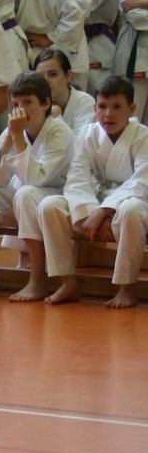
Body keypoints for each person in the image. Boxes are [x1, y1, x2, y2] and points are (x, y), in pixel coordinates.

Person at [38, 75, 148, 308]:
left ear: (131, 109)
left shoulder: (143, 136)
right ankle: (67, 282)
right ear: (94, 108)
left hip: (136, 201)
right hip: (94, 201)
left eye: (117, 107)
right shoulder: (87, 134)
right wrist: (89, 213)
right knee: (49, 206)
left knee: (130, 210)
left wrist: (104, 211)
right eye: (103, 107)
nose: (108, 114)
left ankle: (127, 288)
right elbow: (77, 178)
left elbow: (142, 180)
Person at [0, 70, 72, 301]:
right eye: (15, 104)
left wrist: (18, 139)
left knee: (26, 193)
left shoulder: (60, 132)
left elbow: (37, 179)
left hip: (54, 198)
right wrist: (7, 142)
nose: (21, 110)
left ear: (46, 103)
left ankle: (37, 280)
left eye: (28, 103)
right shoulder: (12, 130)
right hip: (22, 198)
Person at [116, 0, 148, 119]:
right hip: (138, 54)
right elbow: (135, 17)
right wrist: (138, 6)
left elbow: (139, 9)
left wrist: (143, 2)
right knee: (133, 119)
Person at [34, 48, 94, 136]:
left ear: (68, 75)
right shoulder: (32, 104)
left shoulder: (86, 103)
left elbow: (82, 142)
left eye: (53, 74)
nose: (46, 81)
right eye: (40, 76)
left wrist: (57, 118)